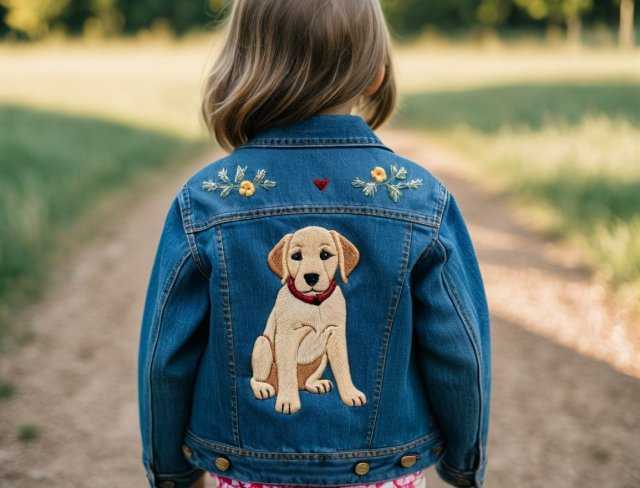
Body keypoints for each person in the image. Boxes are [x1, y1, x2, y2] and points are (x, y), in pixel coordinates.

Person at [138, 1, 491, 487]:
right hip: (382, 476)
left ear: (244, 65)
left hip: (248, 476)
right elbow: (461, 352)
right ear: (374, 74)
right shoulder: (418, 199)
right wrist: (463, 463)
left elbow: (164, 357)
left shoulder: (206, 201)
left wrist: (171, 472)